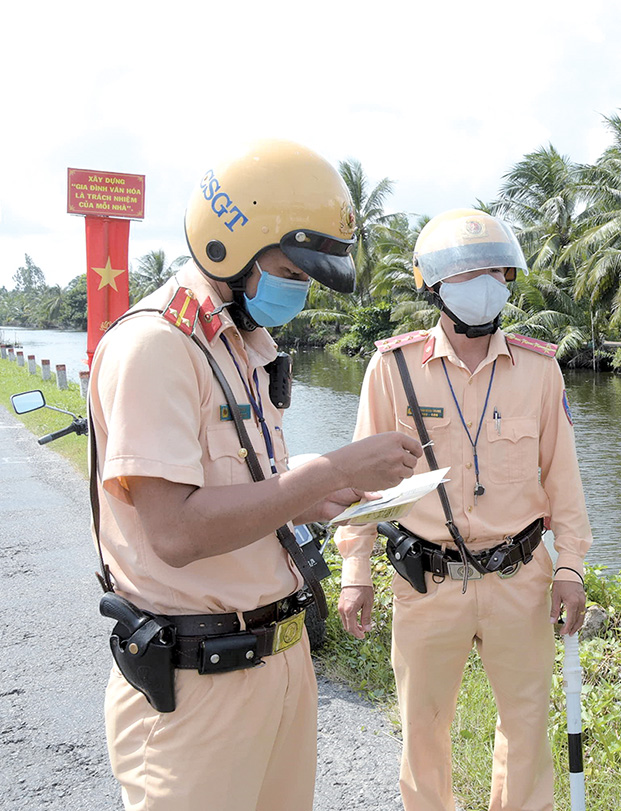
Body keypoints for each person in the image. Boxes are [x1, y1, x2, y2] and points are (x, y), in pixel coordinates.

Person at [89, 139, 423, 811]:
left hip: (277, 662)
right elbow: (176, 530)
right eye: (291, 267)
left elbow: (243, 488)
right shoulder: (159, 344)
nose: (299, 286)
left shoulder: (240, 344)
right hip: (198, 687)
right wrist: (329, 468)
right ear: (229, 243)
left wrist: (317, 488)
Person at [335, 208, 592, 811]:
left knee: (527, 727)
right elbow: (360, 484)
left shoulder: (539, 368)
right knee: (422, 730)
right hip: (427, 581)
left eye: (495, 272)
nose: (484, 284)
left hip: (520, 578)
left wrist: (570, 566)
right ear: (434, 285)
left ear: (508, 279)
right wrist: (354, 570)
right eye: (466, 272)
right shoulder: (393, 366)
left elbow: (565, 481)